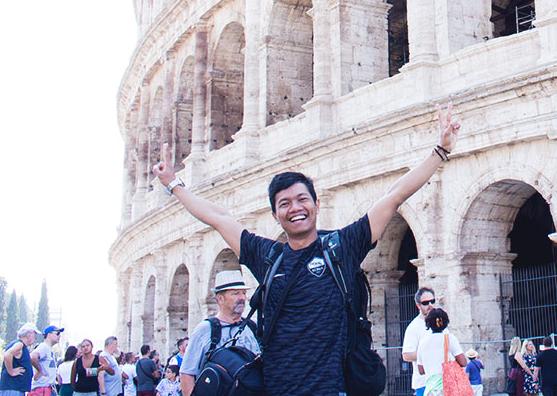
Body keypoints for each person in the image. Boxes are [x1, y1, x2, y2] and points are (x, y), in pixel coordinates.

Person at [151, 103, 461, 396]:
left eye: (302, 199)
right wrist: (173, 184)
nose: (295, 208)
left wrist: (440, 151)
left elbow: (394, 196)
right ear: (275, 215)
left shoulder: (342, 247)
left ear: (316, 204)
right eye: (284, 204)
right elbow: (219, 218)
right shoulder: (268, 256)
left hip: (334, 388)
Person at [179, 269, 259, 396]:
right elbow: (187, 373)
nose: (242, 298)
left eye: (243, 293)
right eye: (235, 294)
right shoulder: (205, 330)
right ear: (220, 299)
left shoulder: (253, 327)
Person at [416, 308, 467, 396]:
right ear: (445, 323)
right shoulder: (449, 338)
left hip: (430, 389)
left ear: (428, 324)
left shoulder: (422, 343)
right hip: (447, 388)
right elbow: (463, 362)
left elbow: (421, 370)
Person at [404, 288, 438, 396]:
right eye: (425, 303)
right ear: (418, 305)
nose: (430, 305)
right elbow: (407, 355)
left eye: (432, 301)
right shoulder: (414, 327)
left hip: (442, 381)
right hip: (424, 383)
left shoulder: (440, 323)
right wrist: (430, 355)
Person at [0, 323, 40, 396]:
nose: (36, 338)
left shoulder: (20, 345)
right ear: (28, 335)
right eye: (35, 335)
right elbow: (7, 355)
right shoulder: (19, 344)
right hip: (12, 389)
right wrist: (11, 371)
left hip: (15, 389)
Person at [31, 326, 63, 396]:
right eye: (57, 333)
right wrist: (39, 370)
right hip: (41, 389)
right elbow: (33, 357)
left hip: (47, 388)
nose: (59, 336)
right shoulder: (44, 347)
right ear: (49, 334)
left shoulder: (48, 349)